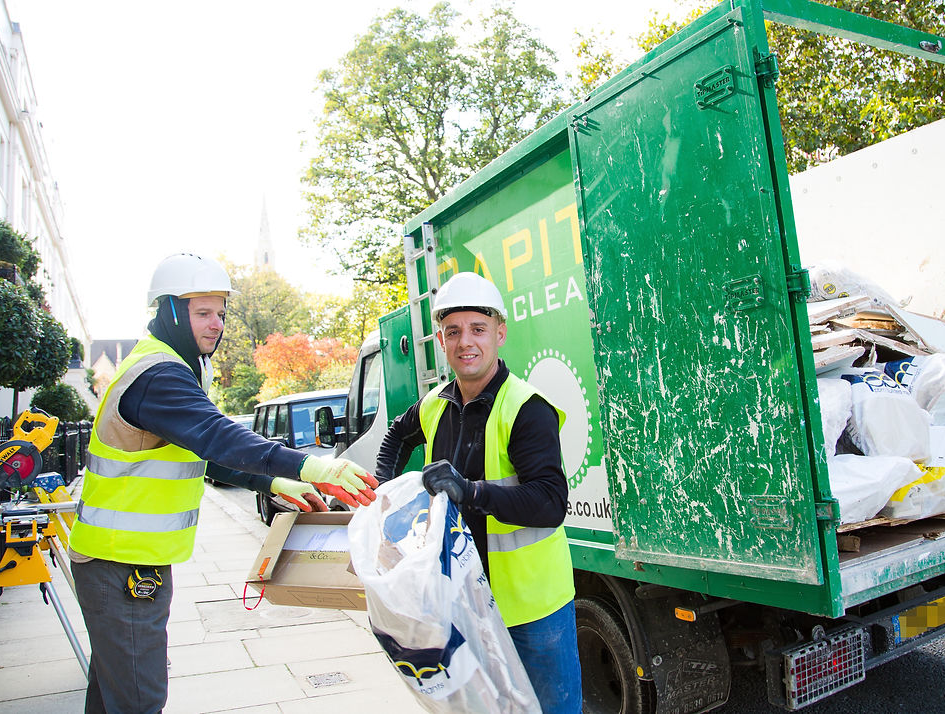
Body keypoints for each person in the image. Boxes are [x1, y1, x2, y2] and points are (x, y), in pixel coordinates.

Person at [69, 252, 379, 714]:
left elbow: (198, 452)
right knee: (138, 699)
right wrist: (313, 468)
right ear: (170, 310)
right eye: (202, 313)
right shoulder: (158, 376)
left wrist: (270, 481)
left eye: (220, 313)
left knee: (116, 693)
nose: (216, 324)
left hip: (126, 560)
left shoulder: (172, 365)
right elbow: (217, 435)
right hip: (122, 565)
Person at [375, 271, 580, 714]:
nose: (465, 341)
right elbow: (395, 436)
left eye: (478, 329)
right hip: (462, 602)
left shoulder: (526, 408)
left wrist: (469, 491)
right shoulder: (435, 402)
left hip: (532, 609)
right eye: (453, 332)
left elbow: (549, 503)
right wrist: (381, 492)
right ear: (441, 340)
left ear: (500, 333)